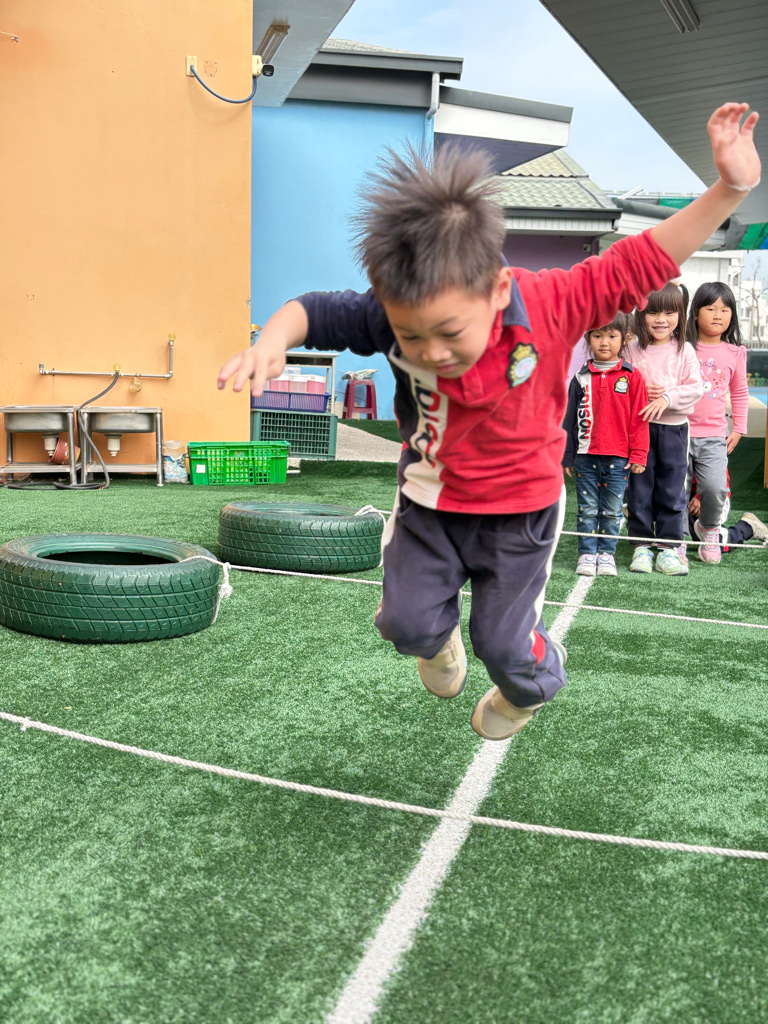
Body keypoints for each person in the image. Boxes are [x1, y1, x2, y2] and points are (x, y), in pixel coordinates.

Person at [218, 103, 760, 741]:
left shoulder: (551, 302)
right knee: (404, 623)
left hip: (520, 515)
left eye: (450, 333)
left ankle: (530, 689)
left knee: (504, 646)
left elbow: (644, 259)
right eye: (411, 337)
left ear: (498, 290)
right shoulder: (392, 307)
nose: (431, 353)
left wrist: (730, 189)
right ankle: (434, 639)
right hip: (430, 504)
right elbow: (311, 309)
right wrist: (270, 342)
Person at [624, 284, 704, 575]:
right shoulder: (631, 350)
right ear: (640, 315)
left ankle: (669, 548)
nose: (661, 320)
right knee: (639, 488)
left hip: (674, 430)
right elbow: (621, 386)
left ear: (680, 315)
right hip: (640, 431)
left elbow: (695, 388)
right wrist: (641, 391)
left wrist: (667, 398)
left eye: (669, 313)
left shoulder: (685, 350)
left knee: (671, 489)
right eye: (653, 312)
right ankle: (641, 545)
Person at [562, 314, 649, 577]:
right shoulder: (580, 378)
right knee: (586, 509)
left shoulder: (632, 377)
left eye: (612, 336)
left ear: (625, 339)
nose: (604, 342)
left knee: (612, 510)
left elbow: (639, 419)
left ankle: (606, 554)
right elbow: (569, 420)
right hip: (585, 456)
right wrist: (568, 456)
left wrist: (639, 454)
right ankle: (587, 553)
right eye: (597, 335)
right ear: (588, 338)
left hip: (619, 458)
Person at [685, 282, 749, 563]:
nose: (718, 315)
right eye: (711, 308)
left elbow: (740, 392)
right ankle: (675, 541)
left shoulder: (735, 353)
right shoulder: (683, 348)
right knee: (674, 489)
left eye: (725, 310)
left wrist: (739, 428)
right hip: (679, 432)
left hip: (713, 435)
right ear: (695, 313)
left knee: (714, 487)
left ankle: (710, 529)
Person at [688, 477, 768, 551]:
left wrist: (701, 496)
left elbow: (717, 474)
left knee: (715, 545)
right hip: (686, 493)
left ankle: (747, 527)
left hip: (708, 494)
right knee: (699, 540)